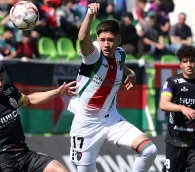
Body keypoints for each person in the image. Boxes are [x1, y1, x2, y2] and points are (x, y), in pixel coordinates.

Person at [67, 2, 158, 172]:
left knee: (150, 150)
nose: (106, 44)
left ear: (118, 40)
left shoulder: (120, 54)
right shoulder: (93, 54)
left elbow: (120, 63)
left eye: (110, 40)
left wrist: (131, 74)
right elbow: (81, 38)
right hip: (85, 124)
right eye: (102, 40)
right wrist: (89, 14)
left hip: (111, 119)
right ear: (97, 40)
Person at [0, 59, 77, 172]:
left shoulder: (9, 90)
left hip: (26, 155)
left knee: (61, 170)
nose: (0, 84)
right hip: (4, 163)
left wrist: (57, 92)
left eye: (1, 79)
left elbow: (29, 100)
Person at [160, 45, 195, 172]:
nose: (189, 64)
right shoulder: (172, 82)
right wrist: (181, 108)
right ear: (180, 64)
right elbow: (163, 104)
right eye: (185, 61)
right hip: (175, 140)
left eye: (192, 60)